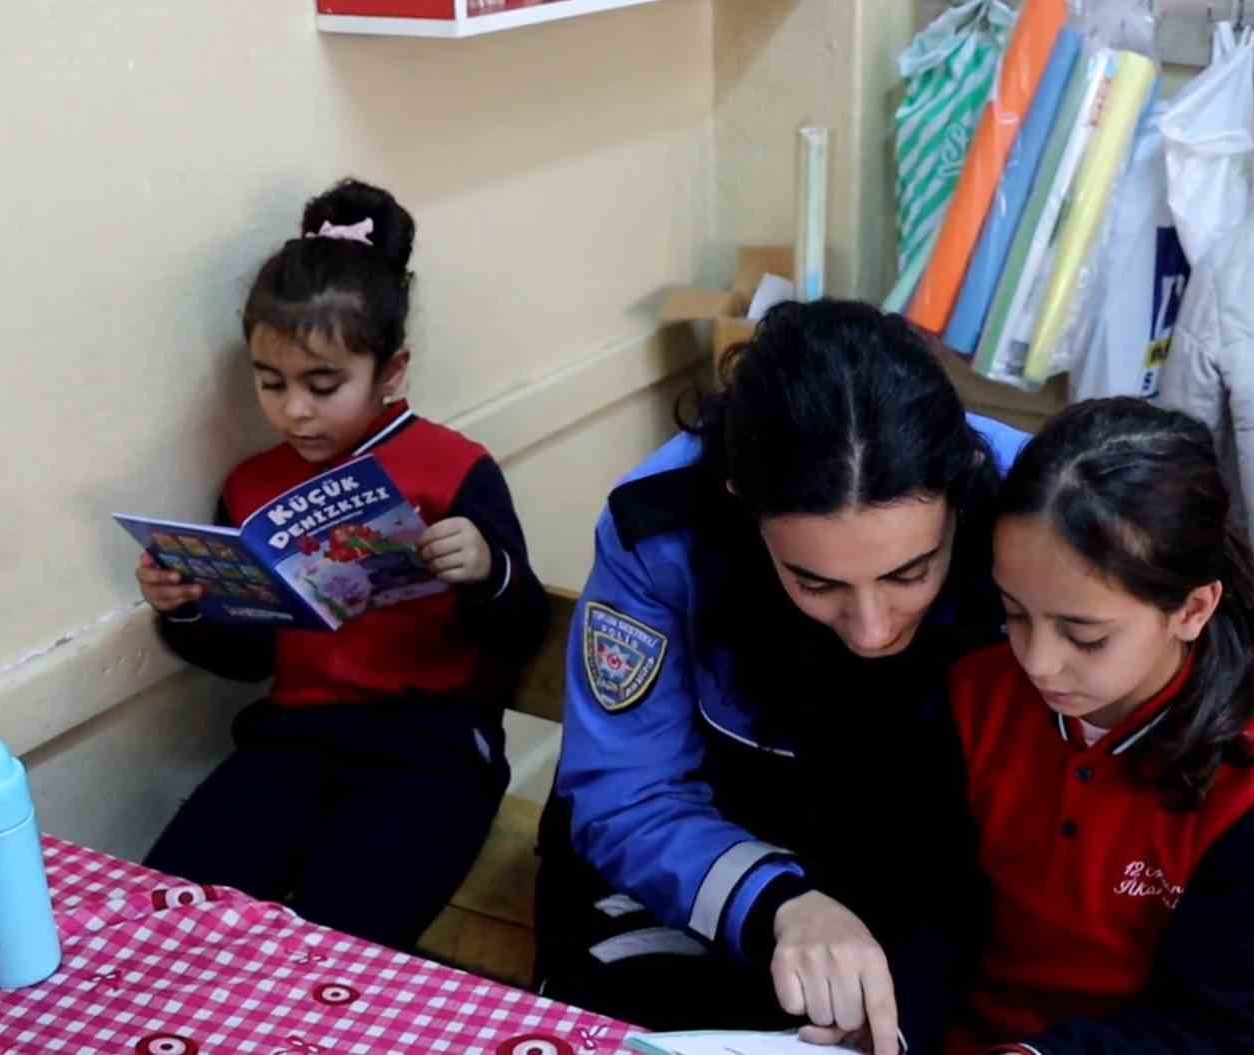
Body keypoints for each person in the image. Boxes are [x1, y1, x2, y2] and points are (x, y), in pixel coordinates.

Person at [535, 299, 1028, 1055]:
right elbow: (625, 791)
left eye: (911, 573)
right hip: (708, 851)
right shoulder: (659, 529)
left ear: (960, 495)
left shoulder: (1042, 510)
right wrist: (776, 902)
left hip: (929, 854)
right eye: (816, 581)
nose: (873, 629)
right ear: (741, 498)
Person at [136, 178, 550, 952]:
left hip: (432, 750)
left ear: (390, 373)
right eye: (271, 383)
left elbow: (521, 627)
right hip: (294, 739)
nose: (295, 410)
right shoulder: (252, 483)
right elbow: (247, 655)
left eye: (324, 386)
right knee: (171, 911)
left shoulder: (451, 468)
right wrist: (187, 605)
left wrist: (487, 566)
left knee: (337, 943)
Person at [947, 397, 1254, 1054]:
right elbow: (926, 906)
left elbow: (1213, 1026)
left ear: (1192, 609)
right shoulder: (972, 694)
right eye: (1014, 612)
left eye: (1085, 635)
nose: (1037, 661)